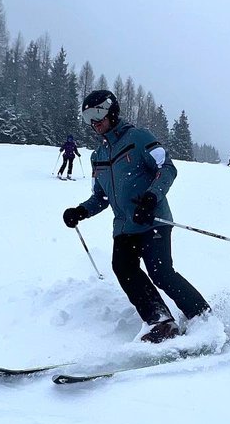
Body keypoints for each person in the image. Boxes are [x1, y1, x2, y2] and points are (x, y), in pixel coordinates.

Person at [62, 90, 210, 344]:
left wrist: (152, 197)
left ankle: (202, 316)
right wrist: (81, 211)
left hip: (152, 220)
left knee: (161, 272)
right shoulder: (98, 156)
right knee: (123, 268)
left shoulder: (138, 138)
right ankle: (161, 322)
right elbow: (100, 197)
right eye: (88, 117)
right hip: (124, 228)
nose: (94, 122)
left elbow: (167, 168)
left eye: (97, 114)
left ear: (112, 111)